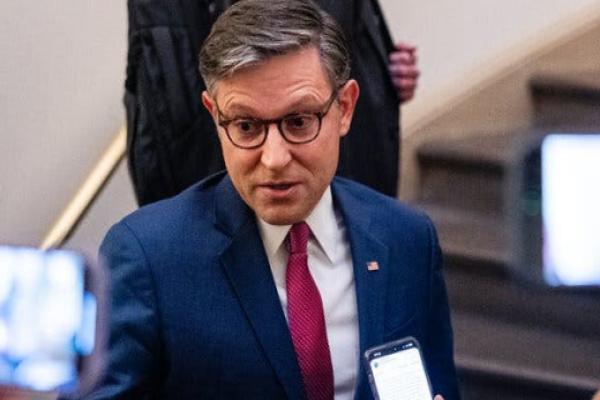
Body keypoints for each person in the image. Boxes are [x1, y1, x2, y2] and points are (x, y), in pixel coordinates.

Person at [86, 1, 458, 398]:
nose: (275, 159)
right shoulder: (148, 259)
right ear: (215, 116)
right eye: (246, 126)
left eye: (299, 122)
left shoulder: (408, 240)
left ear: (345, 108)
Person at [125, 0, 419, 205]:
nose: (274, 156)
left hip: (344, 184)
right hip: (220, 196)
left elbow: (337, 42)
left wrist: (378, 75)